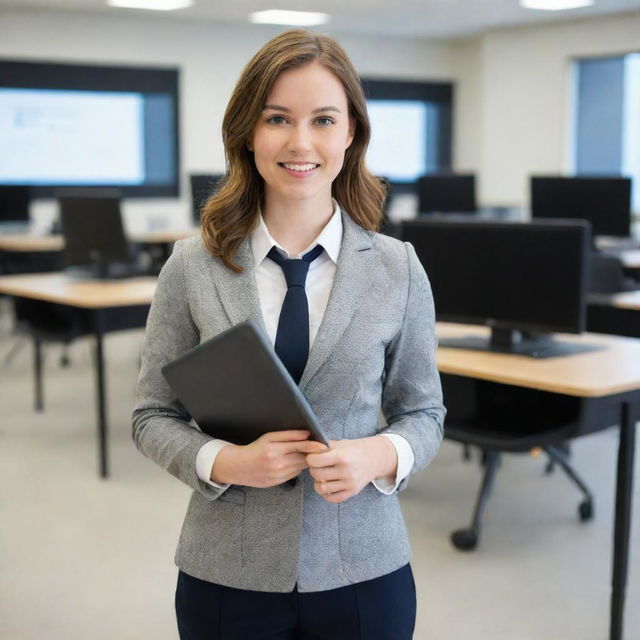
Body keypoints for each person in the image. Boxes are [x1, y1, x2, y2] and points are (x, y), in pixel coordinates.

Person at [132, 28, 445, 640]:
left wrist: (378, 454)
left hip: (362, 565)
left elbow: (424, 413)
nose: (301, 142)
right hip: (228, 570)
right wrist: (226, 460)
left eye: (324, 119)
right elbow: (151, 416)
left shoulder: (397, 266)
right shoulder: (191, 266)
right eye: (278, 118)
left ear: (350, 133)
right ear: (248, 133)